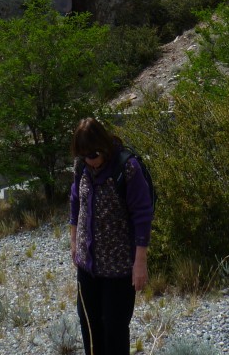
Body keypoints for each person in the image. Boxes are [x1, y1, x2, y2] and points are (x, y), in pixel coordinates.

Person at [69, 117, 153, 355]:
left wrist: (140, 263)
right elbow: (75, 202)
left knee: (114, 329)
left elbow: (142, 215)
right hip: (88, 267)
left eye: (94, 154)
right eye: (84, 156)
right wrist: (74, 241)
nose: (90, 161)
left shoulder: (127, 168)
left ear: (104, 145)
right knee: (89, 326)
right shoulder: (81, 167)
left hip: (119, 269)